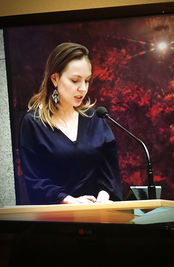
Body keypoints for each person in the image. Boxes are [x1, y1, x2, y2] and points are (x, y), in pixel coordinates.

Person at [19, 42, 122, 205]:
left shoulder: (95, 119)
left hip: (97, 217)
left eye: (87, 81)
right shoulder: (33, 123)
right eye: (75, 80)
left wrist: (104, 196)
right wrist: (68, 200)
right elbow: (34, 179)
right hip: (55, 221)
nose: (83, 88)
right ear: (55, 79)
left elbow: (110, 172)